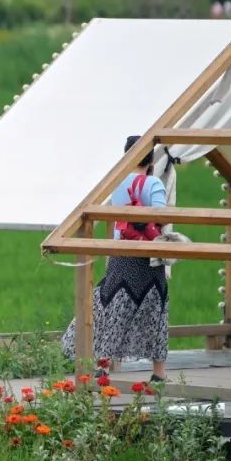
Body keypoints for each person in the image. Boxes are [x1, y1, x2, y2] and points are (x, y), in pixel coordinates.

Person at [62, 135, 169, 382]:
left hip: (120, 251)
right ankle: (159, 373)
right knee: (156, 307)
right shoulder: (153, 184)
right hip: (147, 255)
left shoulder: (116, 184)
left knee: (113, 305)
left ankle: (103, 364)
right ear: (151, 158)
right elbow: (161, 216)